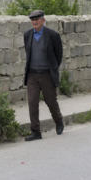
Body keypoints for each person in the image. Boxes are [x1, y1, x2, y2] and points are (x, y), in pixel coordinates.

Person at [23, 10, 64, 141]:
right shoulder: (27, 35)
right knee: (32, 102)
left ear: (43, 20)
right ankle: (36, 132)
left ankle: (59, 122)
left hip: (47, 74)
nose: (34, 22)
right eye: (32, 20)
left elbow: (58, 55)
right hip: (32, 74)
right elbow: (28, 53)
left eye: (37, 19)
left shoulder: (52, 35)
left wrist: (52, 69)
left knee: (51, 101)